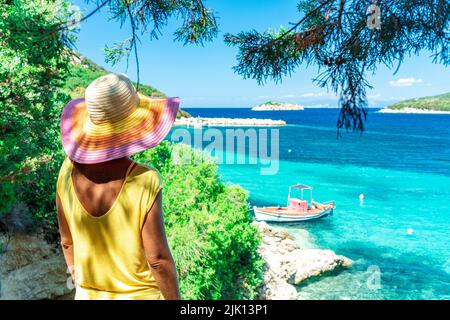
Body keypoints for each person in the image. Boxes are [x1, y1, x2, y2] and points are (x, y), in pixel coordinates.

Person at [56, 73, 181, 300]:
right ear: (133, 123)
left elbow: (67, 242)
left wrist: (83, 286)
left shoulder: (66, 170)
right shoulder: (144, 180)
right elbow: (158, 260)